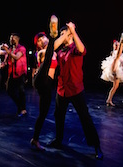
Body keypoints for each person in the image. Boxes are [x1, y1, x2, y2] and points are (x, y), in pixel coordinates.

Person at [46, 22, 103, 160]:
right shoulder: (60, 51)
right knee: (58, 116)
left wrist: (72, 31)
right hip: (62, 90)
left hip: (76, 89)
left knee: (85, 119)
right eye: (60, 34)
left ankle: (96, 146)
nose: (62, 36)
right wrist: (64, 34)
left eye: (63, 34)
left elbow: (83, 49)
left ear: (70, 34)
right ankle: (58, 140)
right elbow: (51, 48)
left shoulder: (74, 49)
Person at [30, 15, 59, 150]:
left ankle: (35, 139)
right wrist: (56, 36)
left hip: (47, 84)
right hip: (40, 79)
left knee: (43, 113)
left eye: (43, 38)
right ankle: (54, 33)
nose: (42, 41)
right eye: (39, 41)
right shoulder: (42, 52)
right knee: (47, 59)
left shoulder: (53, 52)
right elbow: (49, 52)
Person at [1, 33, 27, 117]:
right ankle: (20, 106)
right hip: (12, 72)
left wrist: (8, 51)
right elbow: (8, 61)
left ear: (17, 39)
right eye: (10, 38)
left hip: (20, 72)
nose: (11, 39)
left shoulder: (22, 48)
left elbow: (16, 57)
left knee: (21, 90)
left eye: (13, 38)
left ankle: (23, 109)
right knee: (9, 90)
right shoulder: (11, 49)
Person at [101, 33, 123, 106]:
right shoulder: (115, 52)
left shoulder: (115, 52)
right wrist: (121, 43)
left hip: (115, 67)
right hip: (114, 68)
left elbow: (121, 57)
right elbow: (118, 55)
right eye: (116, 45)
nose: (116, 45)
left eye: (117, 44)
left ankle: (109, 100)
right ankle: (109, 100)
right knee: (115, 85)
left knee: (115, 86)